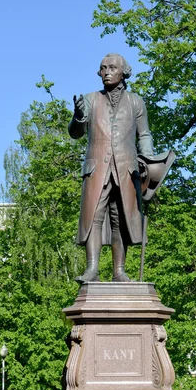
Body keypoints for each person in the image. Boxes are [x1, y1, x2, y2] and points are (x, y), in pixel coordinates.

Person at [68, 53, 154, 282]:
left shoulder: (136, 102)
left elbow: (144, 135)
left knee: (121, 219)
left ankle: (119, 271)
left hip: (126, 169)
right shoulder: (90, 99)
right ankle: (92, 269)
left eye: (112, 67)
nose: (106, 72)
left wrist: (149, 163)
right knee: (93, 217)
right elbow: (75, 133)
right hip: (97, 170)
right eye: (103, 68)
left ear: (123, 72)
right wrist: (77, 117)